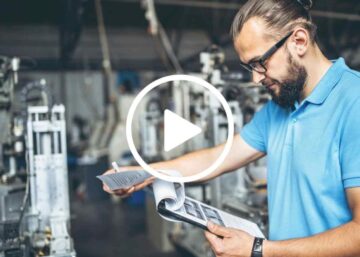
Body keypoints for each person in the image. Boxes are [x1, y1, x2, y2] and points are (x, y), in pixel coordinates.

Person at [102, 0, 360, 256]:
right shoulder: (280, 107)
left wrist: (260, 250)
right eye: (249, 67)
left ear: (299, 41)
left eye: (260, 62)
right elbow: (218, 157)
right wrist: (145, 172)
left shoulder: (353, 102)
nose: (256, 78)